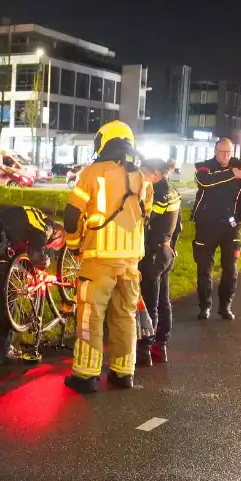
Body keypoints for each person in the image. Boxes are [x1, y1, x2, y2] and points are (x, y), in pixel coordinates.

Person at [62, 120, 153, 393]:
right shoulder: (143, 178)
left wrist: (74, 244)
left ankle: (86, 375)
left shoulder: (93, 172)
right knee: (125, 316)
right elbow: (144, 218)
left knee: (91, 315)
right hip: (130, 263)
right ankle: (124, 373)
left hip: (99, 258)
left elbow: (71, 214)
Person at [0, 205, 65, 364]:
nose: (48, 247)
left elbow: (20, 252)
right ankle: (2, 353)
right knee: (6, 300)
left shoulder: (27, 217)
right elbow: (36, 255)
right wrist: (44, 263)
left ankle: (3, 348)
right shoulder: (43, 225)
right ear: (57, 233)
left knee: (4, 296)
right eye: (52, 245)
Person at [192, 138, 241, 321]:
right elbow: (204, 182)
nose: (225, 155)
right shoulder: (205, 167)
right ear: (215, 151)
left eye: (228, 152)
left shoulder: (239, 165)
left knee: (231, 269)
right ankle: (204, 307)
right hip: (206, 225)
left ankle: (225, 306)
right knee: (204, 269)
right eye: (221, 152)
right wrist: (231, 173)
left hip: (231, 226)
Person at [136, 159, 182, 367]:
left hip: (153, 254)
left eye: (144, 174)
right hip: (166, 251)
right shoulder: (173, 191)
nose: (142, 178)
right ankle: (161, 346)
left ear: (155, 174)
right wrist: (172, 248)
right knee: (164, 301)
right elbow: (178, 226)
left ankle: (145, 349)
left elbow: (144, 224)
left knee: (150, 303)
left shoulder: (156, 196)